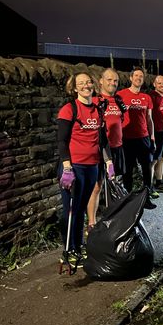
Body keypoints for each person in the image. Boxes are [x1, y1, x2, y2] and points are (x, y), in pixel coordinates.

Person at [57, 71, 113, 266]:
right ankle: (68, 249)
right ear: (74, 88)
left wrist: (108, 162)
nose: (86, 86)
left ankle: (79, 244)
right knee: (70, 210)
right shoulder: (69, 109)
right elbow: (62, 142)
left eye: (88, 82)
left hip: (92, 166)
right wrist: (66, 167)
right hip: (74, 167)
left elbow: (103, 139)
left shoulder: (98, 110)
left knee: (80, 208)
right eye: (81, 83)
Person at [87, 68, 127, 231]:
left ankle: (114, 218)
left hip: (117, 147)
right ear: (101, 81)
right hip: (100, 150)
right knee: (97, 186)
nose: (113, 83)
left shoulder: (118, 100)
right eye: (109, 80)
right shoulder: (95, 101)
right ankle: (91, 223)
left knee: (115, 183)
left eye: (115, 80)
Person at [117, 67, 157, 209]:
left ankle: (146, 198)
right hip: (127, 138)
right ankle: (128, 200)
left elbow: (149, 119)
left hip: (143, 137)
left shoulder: (146, 98)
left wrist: (152, 137)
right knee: (127, 170)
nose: (139, 78)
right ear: (130, 78)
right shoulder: (120, 95)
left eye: (141, 76)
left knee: (146, 169)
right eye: (136, 76)